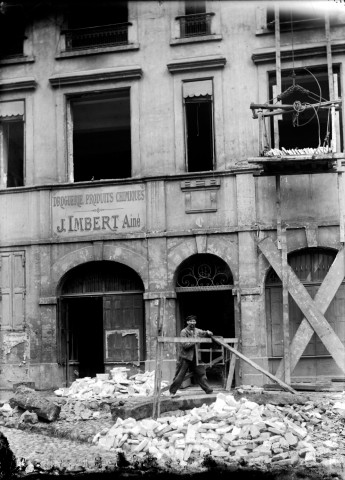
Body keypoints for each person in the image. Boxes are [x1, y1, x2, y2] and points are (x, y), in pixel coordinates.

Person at [169, 314, 214, 396]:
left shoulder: (197, 330)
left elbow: (204, 332)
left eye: (194, 321)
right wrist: (195, 341)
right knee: (180, 375)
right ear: (187, 322)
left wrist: (208, 332)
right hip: (186, 357)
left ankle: (208, 390)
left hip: (196, 356)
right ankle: (172, 391)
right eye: (190, 321)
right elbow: (185, 345)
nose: (192, 323)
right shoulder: (183, 332)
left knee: (201, 373)